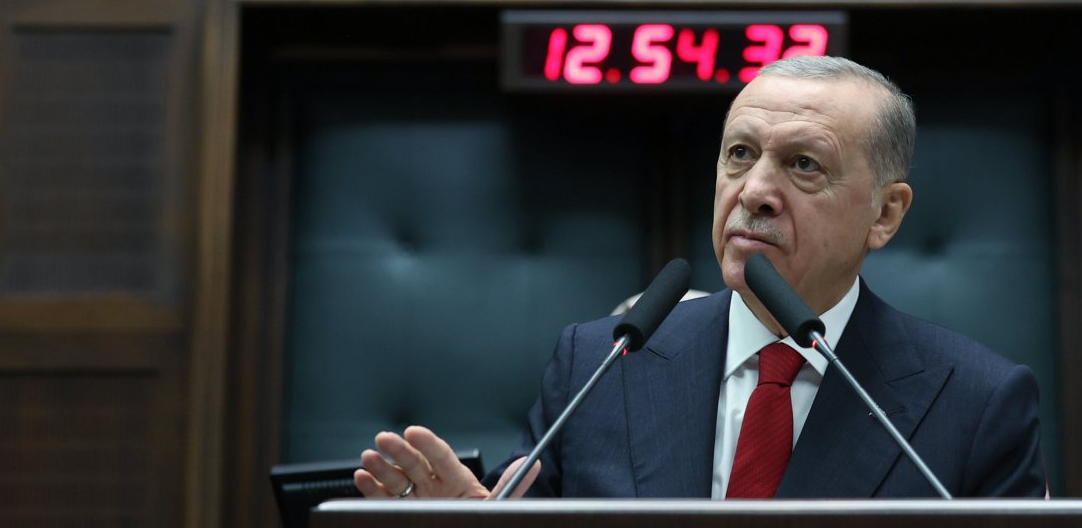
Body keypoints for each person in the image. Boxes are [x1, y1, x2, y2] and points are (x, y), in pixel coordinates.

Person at [355, 56, 1046, 500]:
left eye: (803, 164)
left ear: (885, 214)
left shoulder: (977, 403)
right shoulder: (599, 365)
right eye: (739, 154)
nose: (755, 191)